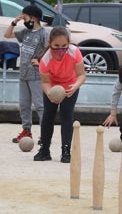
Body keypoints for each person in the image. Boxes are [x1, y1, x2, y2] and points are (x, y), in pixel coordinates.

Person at [34, 26, 86, 163]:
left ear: (68, 43)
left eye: (64, 46)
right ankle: (44, 149)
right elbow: (45, 82)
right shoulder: (45, 59)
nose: (60, 50)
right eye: (56, 46)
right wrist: (50, 93)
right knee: (48, 115)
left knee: (67, 114)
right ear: (50, 43)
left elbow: (81, 75)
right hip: (52, 87)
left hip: (70, 86)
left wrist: (75, 86)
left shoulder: (75, 52)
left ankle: (66, 150)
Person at [4, 5, 49, 143]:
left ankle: (45, 134)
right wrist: (14, 22)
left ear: (34, 18)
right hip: (23, 74)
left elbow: (50, 48)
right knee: (24, 105)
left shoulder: (43, 34)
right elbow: (7, 35)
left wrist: (40, 60)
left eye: (25, 17)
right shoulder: (25, 32)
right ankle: (26, 131)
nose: (24, 20)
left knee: (40, 105)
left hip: (35, 75)